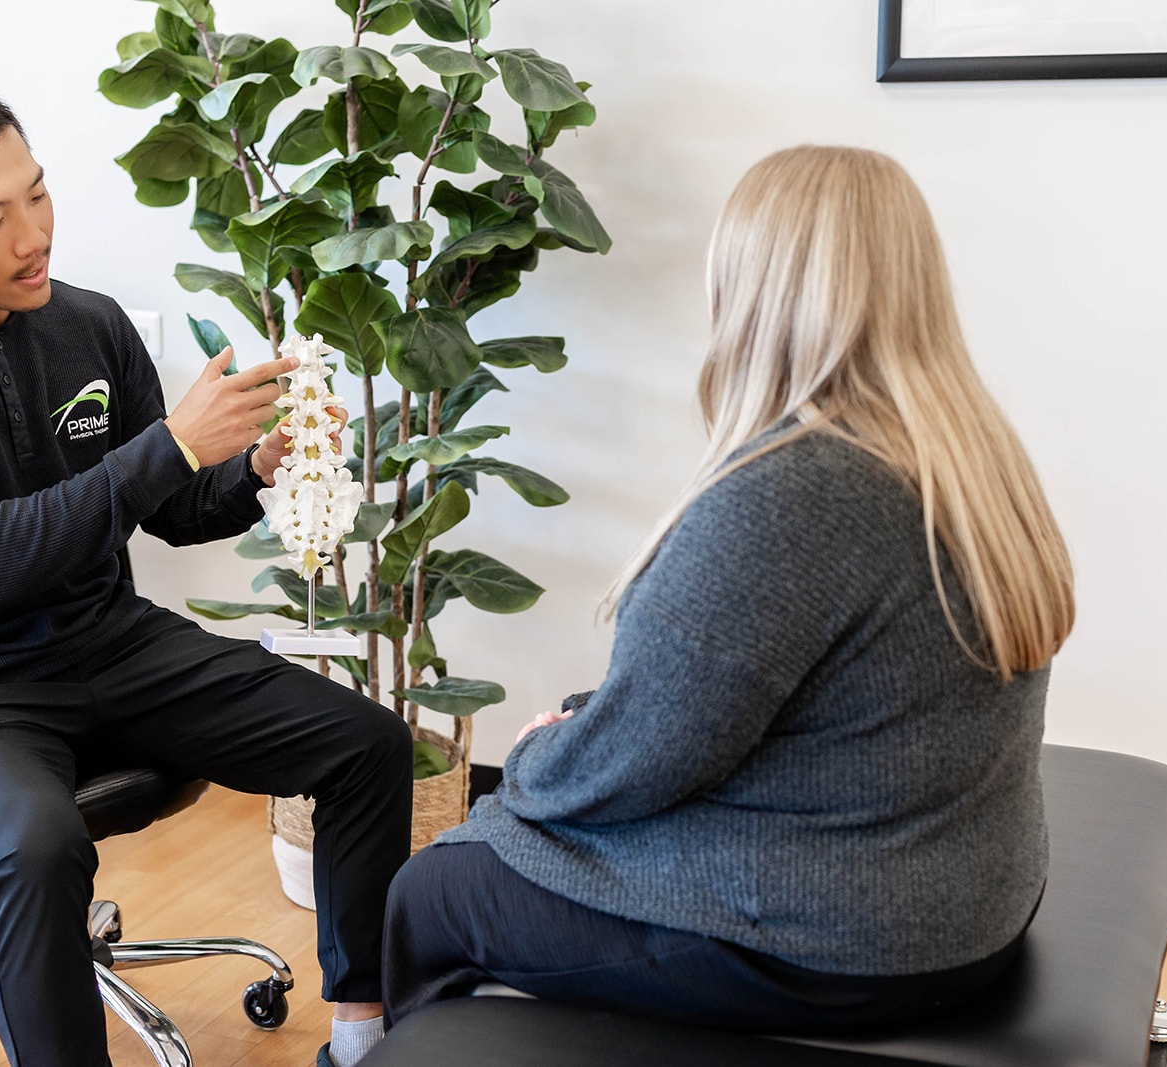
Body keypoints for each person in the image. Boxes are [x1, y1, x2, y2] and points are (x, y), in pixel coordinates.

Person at [381, 145, 1075, 1033]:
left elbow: (629, 761)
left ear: (754, 292)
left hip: (849, 941)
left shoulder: (791, 489)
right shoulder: (967, 452)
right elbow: (767, 685)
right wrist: (593, 726)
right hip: (969, 895)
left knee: (438, 885)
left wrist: (533, 757)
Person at [0, 74, 410, 1067]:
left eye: (37, 193)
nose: (33, 234)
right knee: (39, 848)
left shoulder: (89, 325)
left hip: (109, 644)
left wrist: (252, 466)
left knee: (364, 741)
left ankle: (362, 1034)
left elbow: (165, 509)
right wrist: (169, 442)